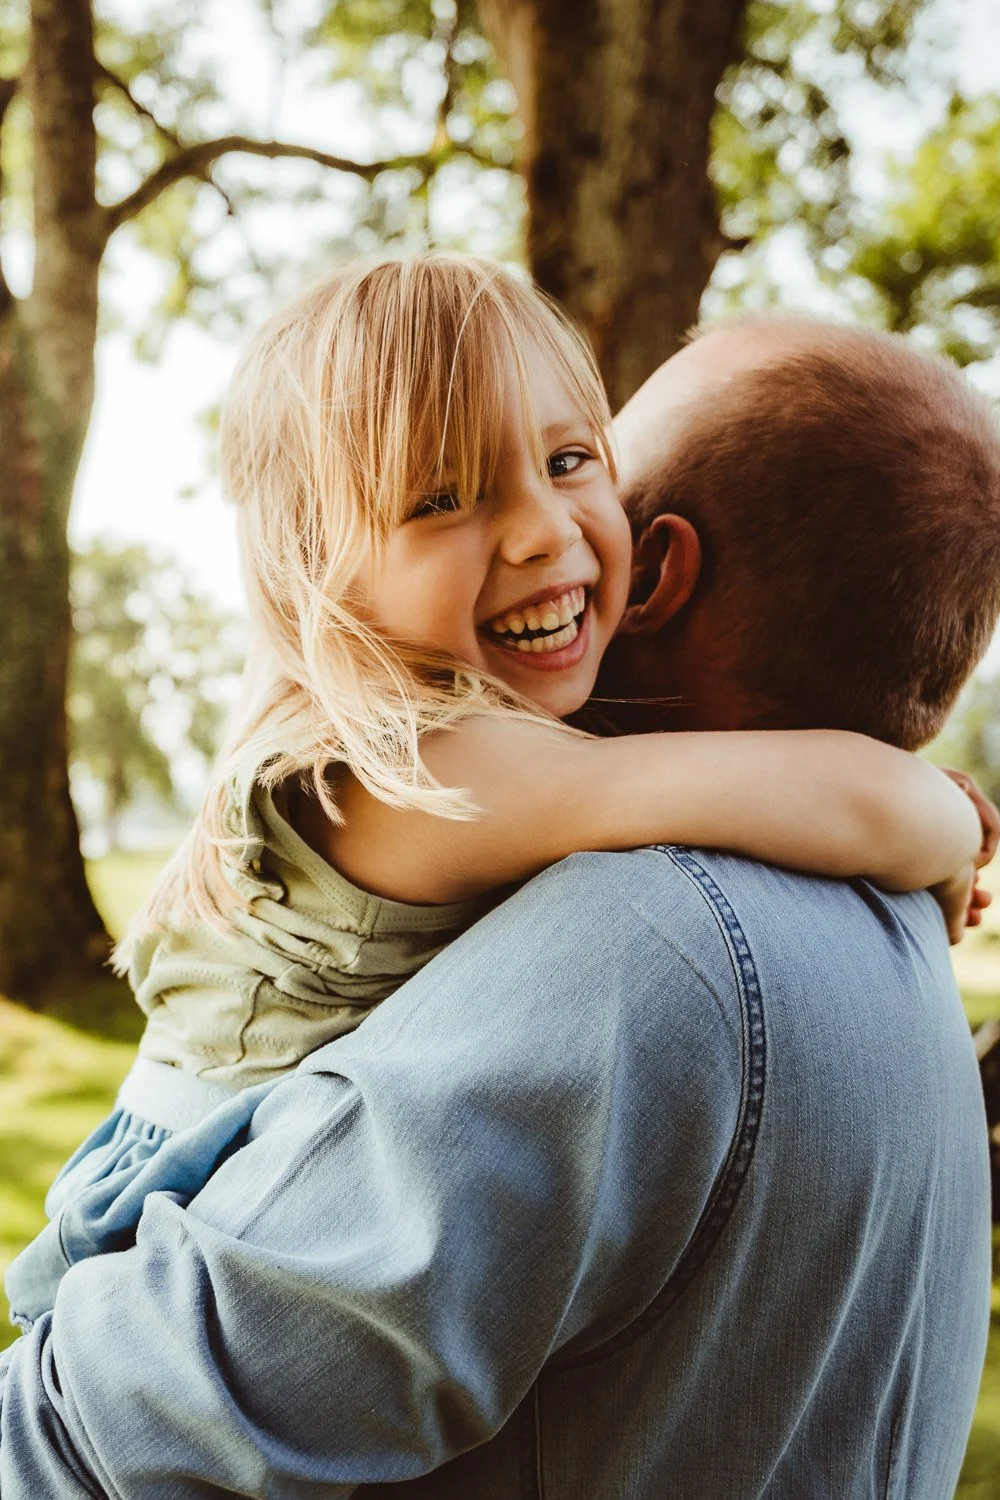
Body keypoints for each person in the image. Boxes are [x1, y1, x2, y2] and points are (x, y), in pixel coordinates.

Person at [2, 279, 999, 1497]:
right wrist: (941, 826)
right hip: (158, 1214)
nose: (542, 530)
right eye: (439, 497)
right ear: (318, 561)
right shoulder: (416, 765)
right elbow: (841, 801)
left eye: (574, 458)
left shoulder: (622, 881)